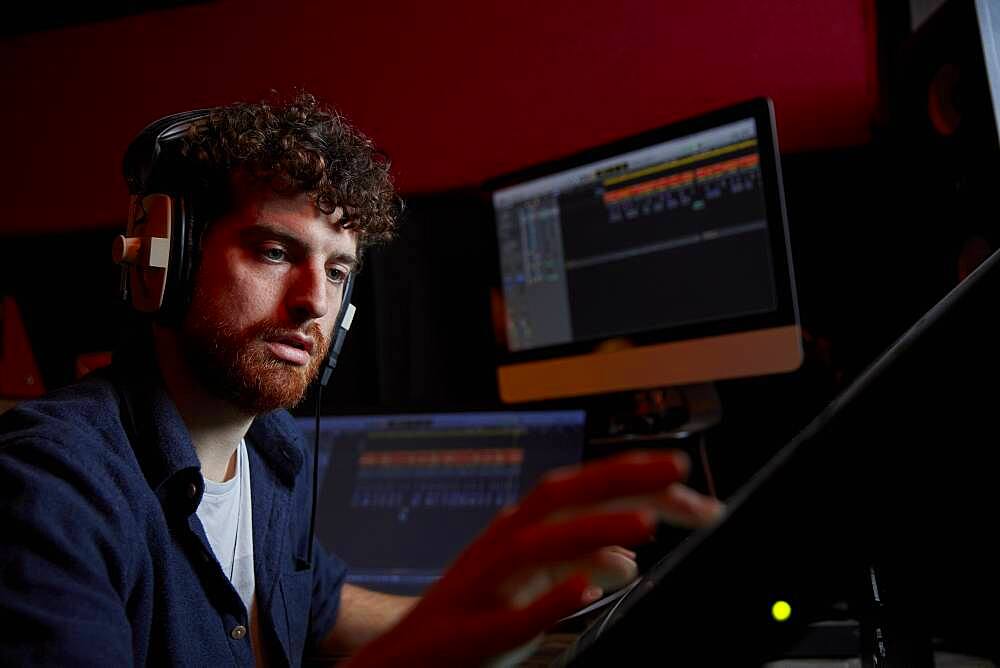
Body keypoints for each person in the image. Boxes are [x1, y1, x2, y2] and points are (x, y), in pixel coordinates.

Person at [0, 92, 722, 666]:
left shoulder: (273, 456)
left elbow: (322, 604)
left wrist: (492, 606)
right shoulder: (51, 485)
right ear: (166, 263)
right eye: (276, 252)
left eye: (338, 271)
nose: (316, 300)